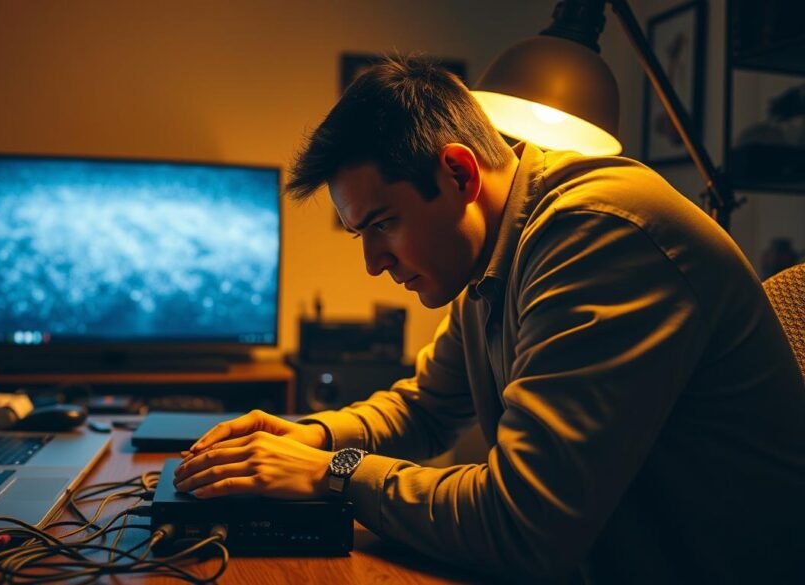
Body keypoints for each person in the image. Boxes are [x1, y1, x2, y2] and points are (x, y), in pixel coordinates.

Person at [171, 55, 805, 582]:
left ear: (458, 172)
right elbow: (424, 408)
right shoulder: (496, 256)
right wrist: (305, 438)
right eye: (361, 233)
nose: (372, 263)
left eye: (383, 224)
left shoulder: (596, 236)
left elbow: (522, 525)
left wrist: (333, 474)